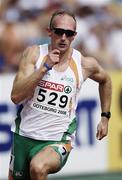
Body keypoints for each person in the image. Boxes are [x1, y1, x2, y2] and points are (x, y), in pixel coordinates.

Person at [9, 10, 112, 180]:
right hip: (24, 135)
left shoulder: (84, 64)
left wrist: (105, 117)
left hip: (58, 140)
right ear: (49, 32)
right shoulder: (34, 55)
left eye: (69, 33)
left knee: (38, 167)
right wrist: (44, 68)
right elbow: (16, 96)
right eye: (59, 32)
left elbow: (106, 80)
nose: (63, 37)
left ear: (74, 36)